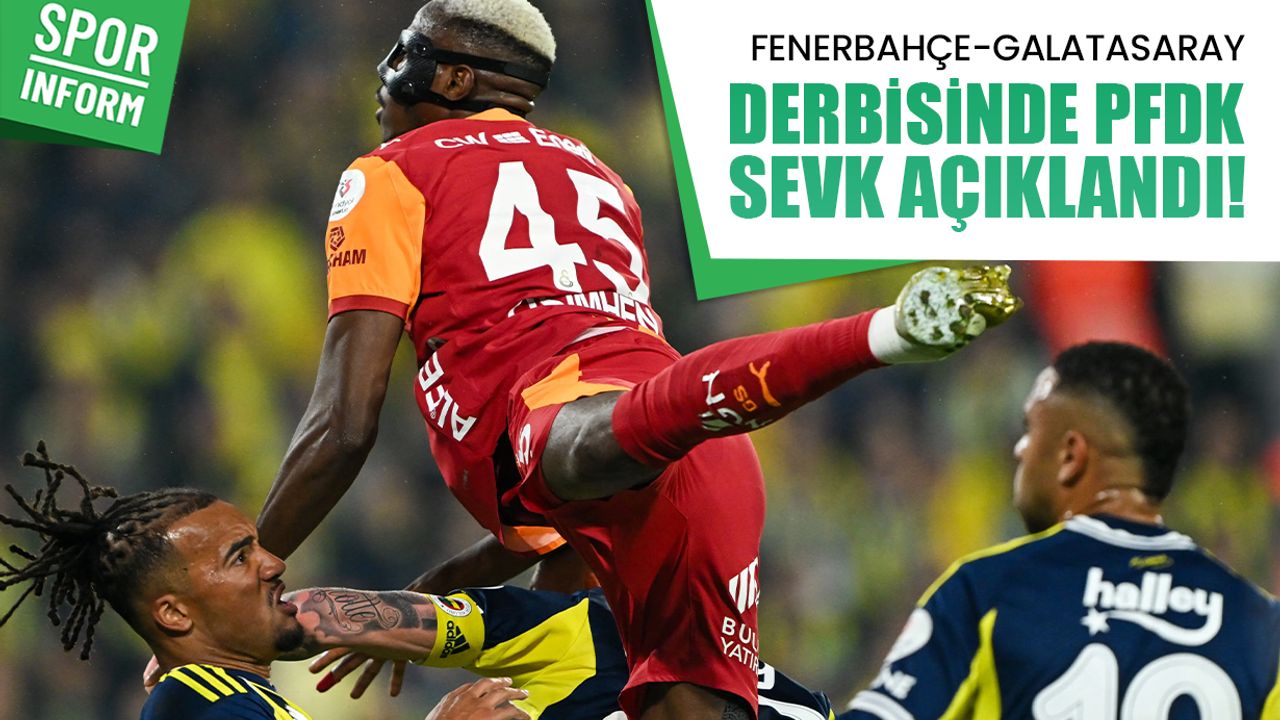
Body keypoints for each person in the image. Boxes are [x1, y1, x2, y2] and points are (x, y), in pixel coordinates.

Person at [254, 1, 1021, 717]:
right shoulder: (604, 177)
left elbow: (343, 426)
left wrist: (251, 567)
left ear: (453, 79)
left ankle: (876, 335)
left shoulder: (389, 171)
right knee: (633, 454)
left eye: (405, 52)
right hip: (709, 467)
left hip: (573, 420)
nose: (383, 71)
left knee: (617, 436)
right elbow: (567, 533)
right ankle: (873, 337)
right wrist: (443, 590)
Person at [843, 342, 1280, 719]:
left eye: (1031, 430)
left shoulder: (985, 593)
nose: (1020, 450)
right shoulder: (1262, 626)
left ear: (1071, 455)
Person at [0, 444, 530, 720]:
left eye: (258, 546)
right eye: (240, 558)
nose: (275, 563)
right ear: (175, 613)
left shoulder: (233, 697)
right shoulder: (195, 708)